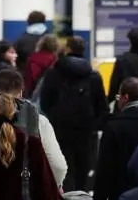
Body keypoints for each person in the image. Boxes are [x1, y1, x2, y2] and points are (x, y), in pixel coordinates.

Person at [37, 36, 108, 191]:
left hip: (60, 128)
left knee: (64, 165)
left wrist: (55, 118)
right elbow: (101, 105)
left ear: (67, 49)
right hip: (86, 130)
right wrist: (94, 125)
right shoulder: (93, 76)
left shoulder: (54, 73)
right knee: (83, 166)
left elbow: (45, 102)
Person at [12, 10, 48, 77]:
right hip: (45, 76)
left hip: (26, 75)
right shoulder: (50, 39)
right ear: (44, 21)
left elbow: (15, 57)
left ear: (29, 22)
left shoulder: (21, 39)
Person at [23, 33, 59, 99]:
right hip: (48, 95)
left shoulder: (32, 58)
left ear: (41, 44)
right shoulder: (55, 60)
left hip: (32, 94)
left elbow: (29, 80)